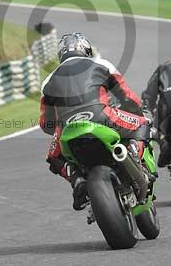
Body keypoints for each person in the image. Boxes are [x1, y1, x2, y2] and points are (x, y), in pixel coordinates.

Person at [41, 32, 151, 210]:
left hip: (68, 128)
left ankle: (76, 179)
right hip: (103, 117)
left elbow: (46, 123)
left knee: (53, 157)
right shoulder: (101, 64)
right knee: (142, 123)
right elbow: (126, 96)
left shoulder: (47, 81)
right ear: (86, 49)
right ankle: (133, 154)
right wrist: (137, 109)